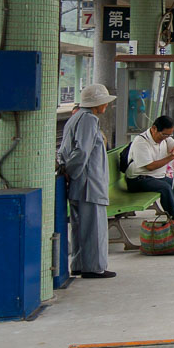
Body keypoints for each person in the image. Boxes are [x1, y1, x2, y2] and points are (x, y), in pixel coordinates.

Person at [57, 84, 117, 279]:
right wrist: (71, 171)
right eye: (105, 102)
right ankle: (94, 267)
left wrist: (68, 172)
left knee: (78, 227)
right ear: (97, 103)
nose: (106, 106)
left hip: (80, 184)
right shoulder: (89, 120)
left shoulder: (75, 118)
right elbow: (82, 151)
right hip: (88, 184)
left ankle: (79, 264)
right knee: (93, 228)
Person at [126, 115, 174, 221]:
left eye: (169, 135)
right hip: (139, 179)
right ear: (154, 128)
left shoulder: (166, 138)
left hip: (158, 178)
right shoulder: (141, 142)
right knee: (165, 188)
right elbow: (150, 166)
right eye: (163, 134)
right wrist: (171, 157)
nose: (165, 137)